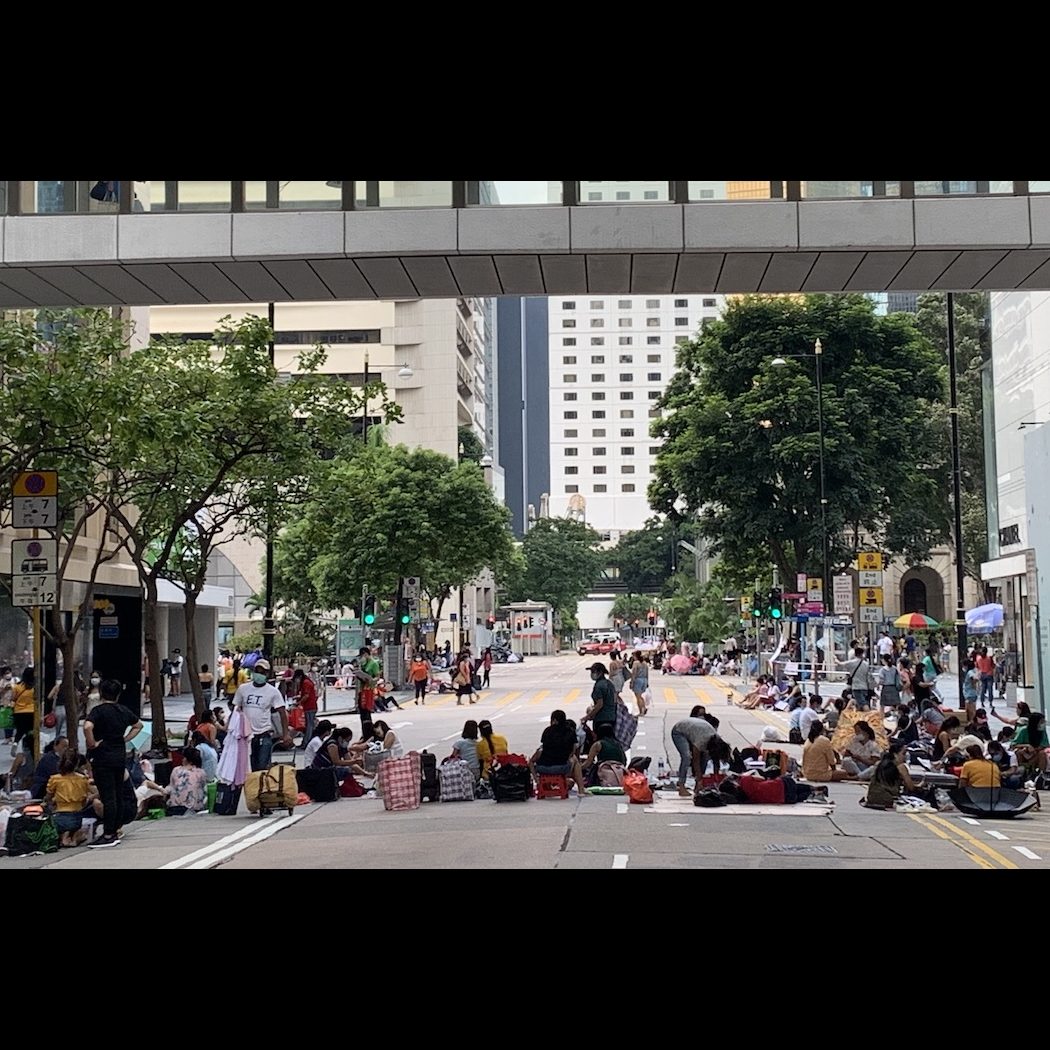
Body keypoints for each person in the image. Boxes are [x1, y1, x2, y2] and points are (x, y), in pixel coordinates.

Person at [84, 678, 143, 849]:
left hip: (102, 757)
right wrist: (124, 739)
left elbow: (87, 727)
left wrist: (92, 743)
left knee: (107, 796)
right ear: (118, 694)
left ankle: (108, 834)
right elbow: (138, 725)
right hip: (119, 756)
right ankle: (115, 830)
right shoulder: (123, 711)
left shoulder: (98, 711)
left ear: (102, 693)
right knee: (117, 794)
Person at [232, 658, 291, 772]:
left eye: (262, 672)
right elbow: (236, 709)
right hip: (246, 736)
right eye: (257, 671)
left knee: (262, 767)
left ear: (267, 674)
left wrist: (285, 734)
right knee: (248, 767)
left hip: (264, 734)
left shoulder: (273, 692)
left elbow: (282, 713)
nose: (259, 674)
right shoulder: (243, 689)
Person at [529, 709, 587, 796]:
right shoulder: (570, 731)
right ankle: (581, 790)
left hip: (543, 768)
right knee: (574, 759)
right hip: (562, 768)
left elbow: (543, 746)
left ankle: (538, 782)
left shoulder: (547, 731)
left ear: (555, 721)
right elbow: (573, 751)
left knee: (531, 760)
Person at [46, 749, 98, 847]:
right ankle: (72, 836)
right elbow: (97, 792)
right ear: (77, 763)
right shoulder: (82, 779)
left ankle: (64, 835)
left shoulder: (55, 779)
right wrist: (89, 799)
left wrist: (51, 802)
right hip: (76, 817)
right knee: (82, 829)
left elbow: (48, 798)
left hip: (59, 817)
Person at [862, 740, 928, 810]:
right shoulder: (900, 766)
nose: (905, 756)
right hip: (887, 799)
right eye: (903, 753)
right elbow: (911, 787)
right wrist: (920, 786)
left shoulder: (880, 764)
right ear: (895, 754)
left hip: (871, 797)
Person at [670, 713, 718, 798]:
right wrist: (699, 778)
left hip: (692, 729)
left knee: (706, 757)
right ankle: (681, 786)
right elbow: (696, 760)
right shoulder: (702, 739)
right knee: (687, 757)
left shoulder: (716, 739)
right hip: (679, 731)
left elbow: (715, 759)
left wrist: (716, 780)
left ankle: (698, 786)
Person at [166, 747, 209, 814]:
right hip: (195, 808)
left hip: (175, 808)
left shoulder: (176, 770)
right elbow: (204, 790)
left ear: (187, 760)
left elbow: (171, 787)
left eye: (184, 757)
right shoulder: (201, 772)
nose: (182, 759)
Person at [582, 662, 618, 735]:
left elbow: (599, 704)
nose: (592, 674)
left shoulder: (598, 686)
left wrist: (588, 716)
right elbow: (615, 699)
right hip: (612, 717)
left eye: (593, 672)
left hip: (601, 719)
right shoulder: (609, 683)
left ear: (600, 672)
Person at [353, 646, 382, 732]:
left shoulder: (373, 663)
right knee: (362, 712)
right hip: (362, 689)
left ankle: (369, 731)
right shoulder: (364, 664)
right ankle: (364, 731)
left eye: (362, 656)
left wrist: (371, 680)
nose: (361, 658)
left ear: (366, 654)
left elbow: (377, 677)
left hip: (368, 689)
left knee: (366, 712)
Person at [839, 646, 874, 711]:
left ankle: (868, 715)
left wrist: (835, 659)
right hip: (865, 686)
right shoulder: (866, 664)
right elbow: (869, 676)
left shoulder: (852, 662)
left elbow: (841, 664)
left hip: (856, 686)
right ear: (862, 654)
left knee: (862, 703)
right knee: (859, 702)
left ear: (855, 654)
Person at [10, 666, 36, 754]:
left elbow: (13, 698)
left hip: (19, 712)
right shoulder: (34, 687)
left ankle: (15, 743)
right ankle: (28, 747)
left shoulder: (17, 686)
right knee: (30, 731)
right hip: (31, 712)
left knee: (20, 730)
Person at [290, 668, 318, 745]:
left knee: (309, 726)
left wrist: (298, 702)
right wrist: (299, 698)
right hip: (309, 706)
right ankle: (306, 741)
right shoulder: (306, 682)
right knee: (309, 725)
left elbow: (306, 696)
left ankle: (307, 742)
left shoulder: (306, 683)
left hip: (310, 707)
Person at [628, 651, 650, 716]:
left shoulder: (636, 663)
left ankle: (641, 711)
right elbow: (647, 673)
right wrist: (647, 682)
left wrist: (632, 682)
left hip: (638, 680)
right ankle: (644, 708)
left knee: (638, 697)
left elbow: (634, 673)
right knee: (640, 696)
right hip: (644, 679)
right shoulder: (645, 663)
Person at [975, 645, 996, 710]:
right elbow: (993, 666)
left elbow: (977, 666)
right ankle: (990, 702)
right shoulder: (989, 658)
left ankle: (982, 702)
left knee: (982, 689)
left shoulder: (978, 658)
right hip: (989, 674)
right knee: (990, 689)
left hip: (982, 674)